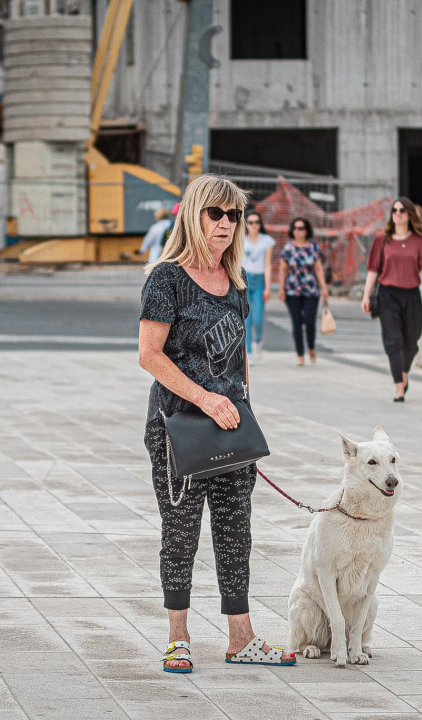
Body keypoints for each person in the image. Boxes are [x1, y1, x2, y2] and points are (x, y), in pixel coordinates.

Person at [138, 174, 295, 673]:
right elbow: (149, 356)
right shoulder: (166, 278)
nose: (226, 224)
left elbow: (240, 357)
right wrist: (206, 399)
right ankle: (178, 637)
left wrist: (245, 412)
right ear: (193, 215)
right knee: (180, 532)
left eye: (234, 216)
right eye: (216, 214)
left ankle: (240, 638)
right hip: (178, 427)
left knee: (235, 533)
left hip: (230, 427)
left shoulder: (237, 282)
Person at [361, 198, 422, 402]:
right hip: (388, 295)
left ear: (410, 214)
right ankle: (399, 388)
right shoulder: (381, 239)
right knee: (393, 341)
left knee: (411, 342)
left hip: (411, 295)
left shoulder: (419, 240)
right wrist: (366, 295)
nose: (398, 213)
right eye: (394, 210)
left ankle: (402, 371)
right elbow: (373, 269)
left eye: (402, 210)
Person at [278, 217, 328, 366]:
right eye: (295, 228)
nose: (297, 231)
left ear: (306, 231)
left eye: (301, 228)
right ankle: (300, 354)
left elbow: (318, 268)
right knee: (297, 322)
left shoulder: (313, 247)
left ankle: (311, 347)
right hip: (292, 290)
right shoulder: (288, 248)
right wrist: (281, 288)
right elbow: (282, 269)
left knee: (309, 321)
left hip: (311, 290)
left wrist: (324, 288)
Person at [242, 209, 275, 361]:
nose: (254, 225)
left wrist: (268, 287)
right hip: (245, 279)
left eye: (257, 222)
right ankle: (248, 350)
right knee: (246, 317)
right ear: (246, 224)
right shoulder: (241, 240)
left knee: (258, 318)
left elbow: (268, 264)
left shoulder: (266, 241)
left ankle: (258, 341)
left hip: (260, 279)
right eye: (250, 222)